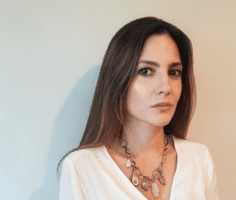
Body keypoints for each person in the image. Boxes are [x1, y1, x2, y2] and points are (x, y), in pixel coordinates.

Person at [57, 16, 219, 200]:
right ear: (118, 80)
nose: (165, 87)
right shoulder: (82, 168)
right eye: (145, 71)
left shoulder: (199, 159)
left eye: (174, 72)